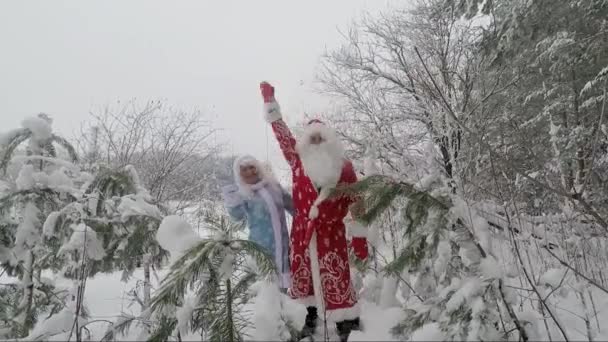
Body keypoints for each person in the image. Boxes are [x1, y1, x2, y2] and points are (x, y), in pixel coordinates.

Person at [259, 81, 369, 342]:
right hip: (303, 233)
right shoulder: (297, 160)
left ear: (330, 140)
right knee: (304, 277)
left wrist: (359, 238)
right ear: (305, 142)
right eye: (312, 138)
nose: (317, 141)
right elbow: (283, 134)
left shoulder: (344, 167)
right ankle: (308, 317)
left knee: (337, 275)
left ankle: (346, 320)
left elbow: (356, 201)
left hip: (332, 233)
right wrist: (271, 104)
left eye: (321, 137)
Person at [222, 154, 293, 291]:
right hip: (261, 247)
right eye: (244, 169)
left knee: (283, 284)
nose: (249, 172)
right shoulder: (243, 193)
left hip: (282, 246)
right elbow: (237, 217)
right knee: (266, 286)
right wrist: (231, 199)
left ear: (258, 168)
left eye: (251, 167)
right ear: (239, 173)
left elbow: (293, 206)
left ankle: (284, 310)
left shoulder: (273, 186)